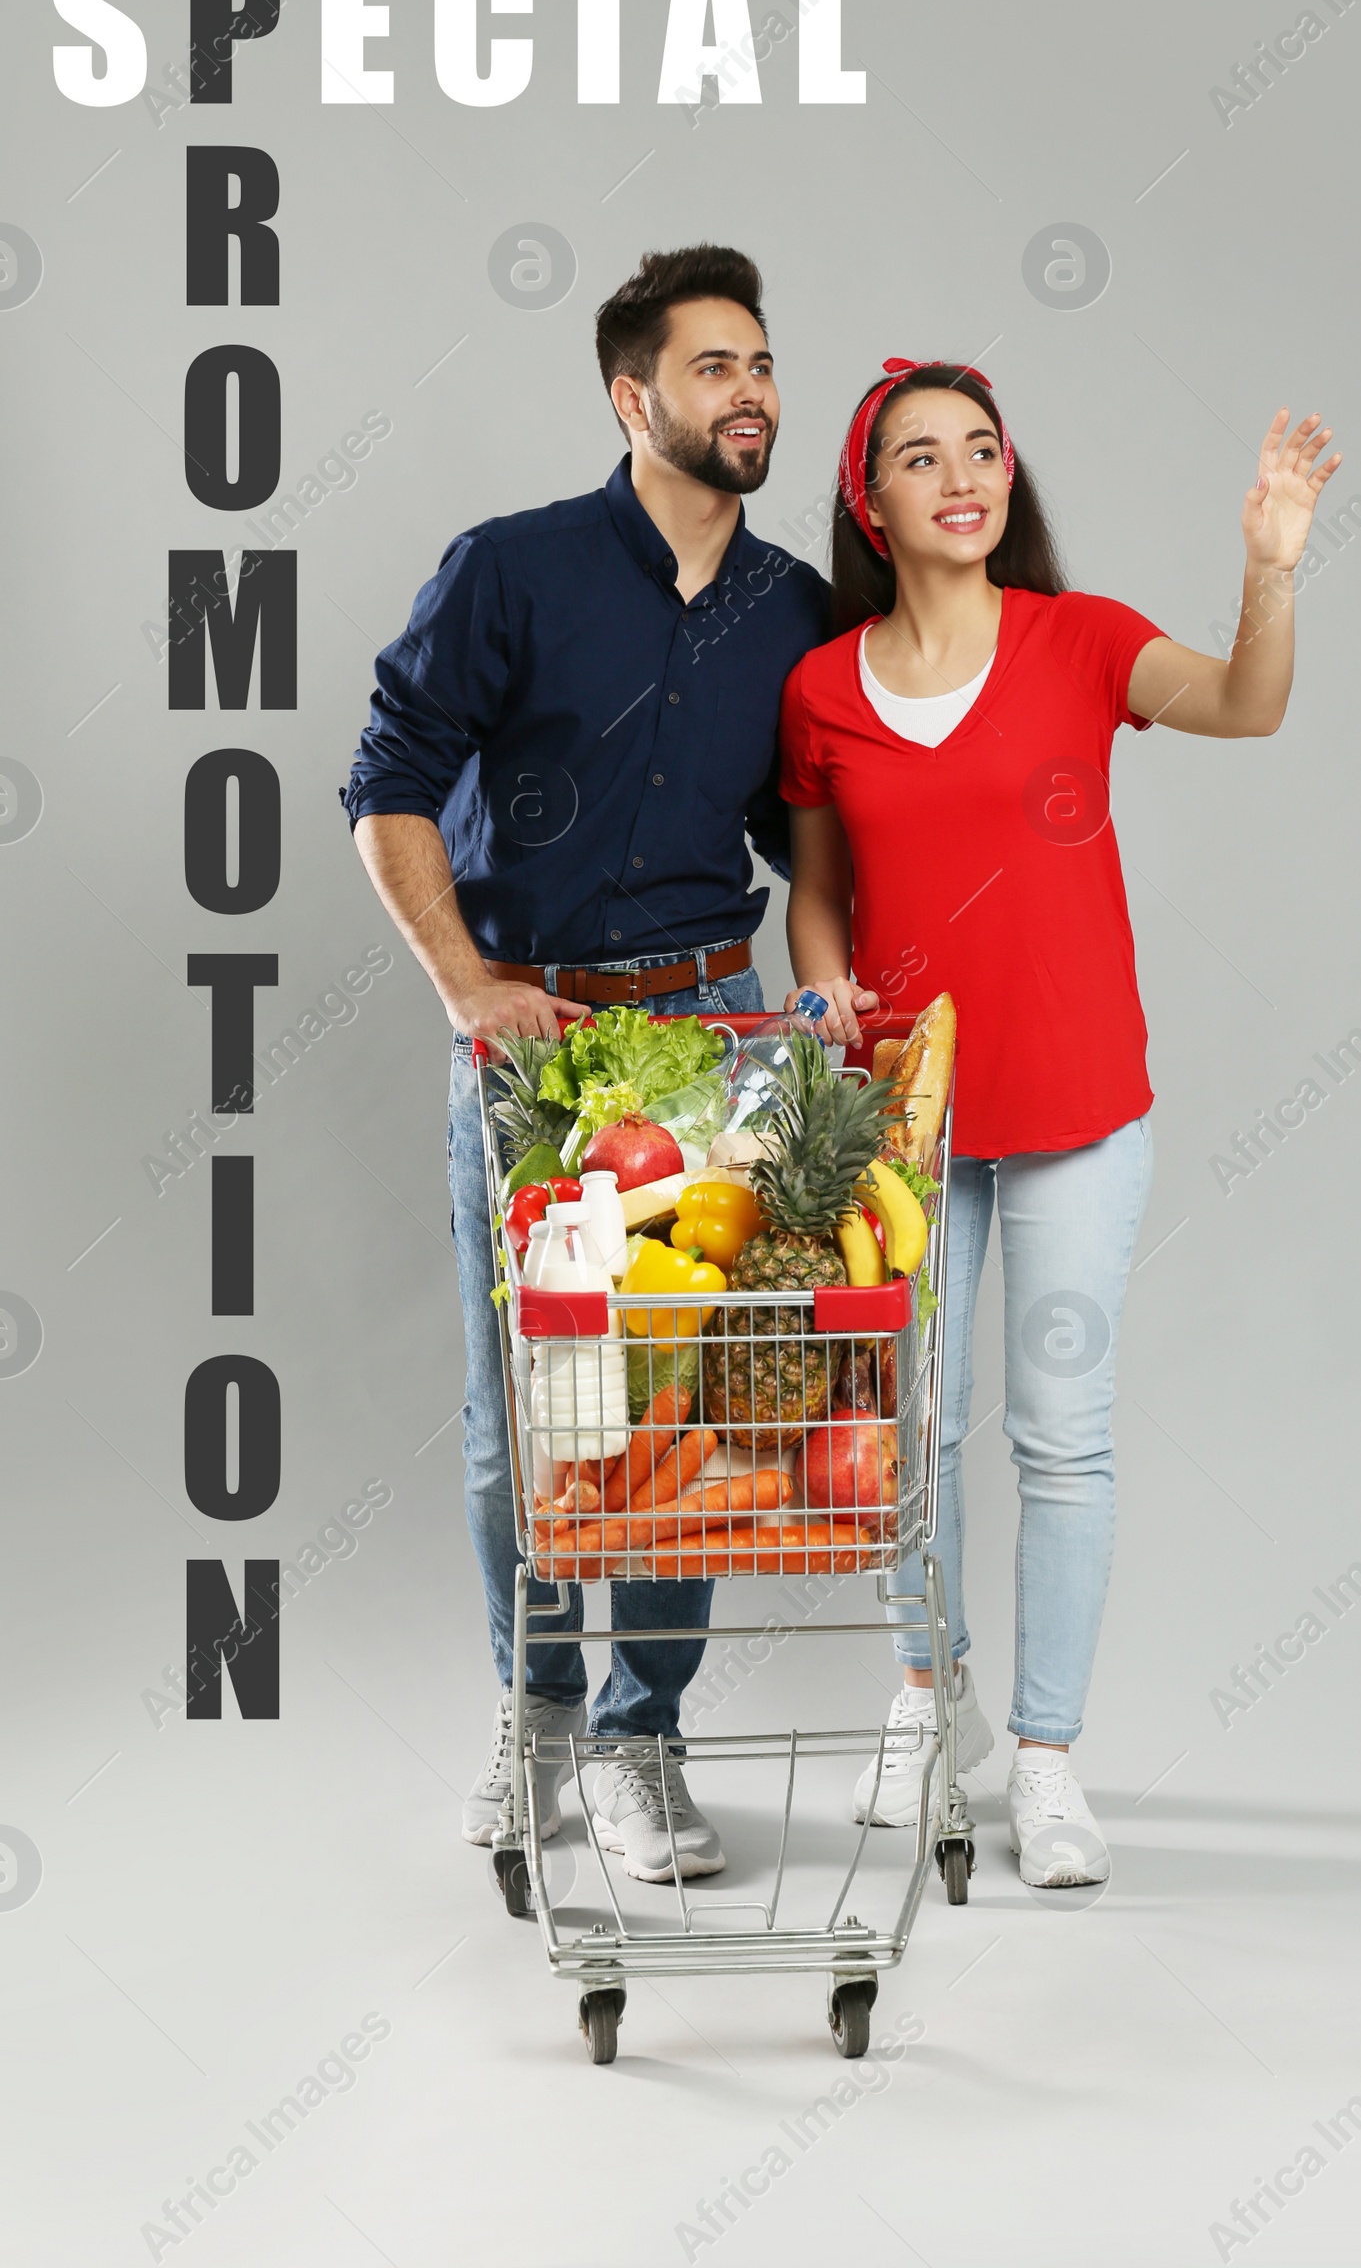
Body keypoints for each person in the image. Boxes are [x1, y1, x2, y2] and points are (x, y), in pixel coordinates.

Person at [778, 358, 1339, 1885]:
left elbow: (1246, 705)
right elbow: (816, 897)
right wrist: (824, 995)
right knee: (910, 1434)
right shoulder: (822, 687)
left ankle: (1044, 1759)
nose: (962, 475)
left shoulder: (1081, 645)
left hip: (1082, 1110)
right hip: (913, 1124)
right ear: (870, 504)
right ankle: (925, 1695)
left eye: (982, 449)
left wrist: (1267, 573)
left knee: (1061, 1442)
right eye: (920, 457)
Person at [342, 245, 830, 1881]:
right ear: (634, 398)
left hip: (710, 1031)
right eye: (714, 366)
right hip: (538, 1046)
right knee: (529, 1416)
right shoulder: (515, 569)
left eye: (759, 361)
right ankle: (536, 1707)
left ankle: (642, 1738)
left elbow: (808, 828)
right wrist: (465, 983)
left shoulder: (795, 612)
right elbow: (389, 782)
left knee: (678, 1409)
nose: (750, 388)